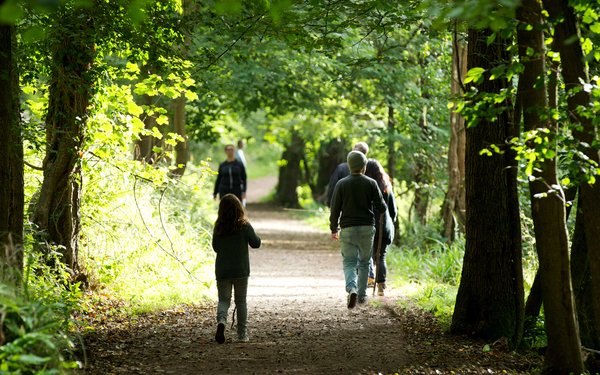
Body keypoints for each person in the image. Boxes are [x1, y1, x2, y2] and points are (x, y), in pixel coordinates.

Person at [330, 151, 387, 308]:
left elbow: (334, 209)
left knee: (349, 261)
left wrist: (333, 228)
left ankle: (351, 289)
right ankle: (362, 296)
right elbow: (381, 207)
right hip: (367, 228)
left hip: (347, 229)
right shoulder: (371, 183)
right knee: (363, 262)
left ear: (349, 165)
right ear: (364, 166)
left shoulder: (341, 184)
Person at [213, 194, 261, 344]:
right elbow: (256, 243)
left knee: (223, 300)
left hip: (223, 270)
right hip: (240, 270)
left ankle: (221, 321)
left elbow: (215, 247)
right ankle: (242, 334)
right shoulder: (244, 225)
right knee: (241, 302)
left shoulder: (219, 226)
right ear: (239, 208)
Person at [365, 160, 397, 296]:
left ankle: (370, 280)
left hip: (370, 224)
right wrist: (391, 220)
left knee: (369, 255)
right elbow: (393, 210)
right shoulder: (386, 187)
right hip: (385, 225)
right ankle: (381, 286)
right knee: (381, 256)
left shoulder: (365, 186)